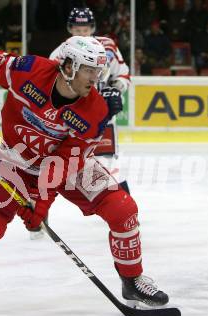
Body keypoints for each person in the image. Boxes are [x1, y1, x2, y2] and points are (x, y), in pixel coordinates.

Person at [0, 36, 170, 315]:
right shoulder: (29, 71)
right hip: (19, 160)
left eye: (99, 72)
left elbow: (66, 160)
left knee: (123, 209)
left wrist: (42, 201)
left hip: (68, 166)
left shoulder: (95, 110)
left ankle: (132, 279)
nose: (96, 79)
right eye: (90, 71)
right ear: (69, 66)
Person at [44, 7, 131, 240]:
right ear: (69, 29)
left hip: (101, 119)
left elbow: (122, 74)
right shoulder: (60, 53)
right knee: (57, 167)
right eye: (76, 29)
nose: (81, 33)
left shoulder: (108, 47)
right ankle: (39, 214)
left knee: (110, 166)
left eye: (85, 29)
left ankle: (126, 217)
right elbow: (49, 85)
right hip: (71, 122)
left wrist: (116, 88)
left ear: (92, 28)